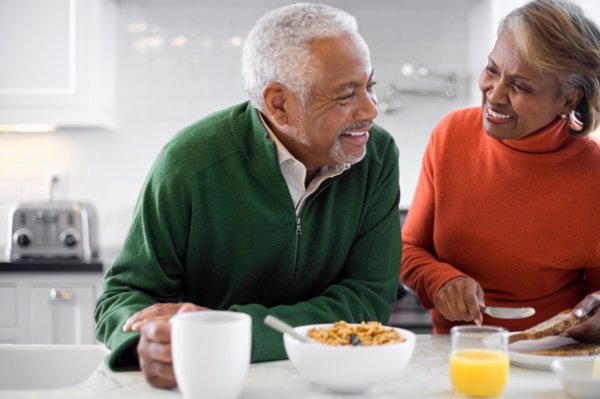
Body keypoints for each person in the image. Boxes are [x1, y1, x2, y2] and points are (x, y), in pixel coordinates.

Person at [94, 2, 401, 389]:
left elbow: (368, 299)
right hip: (207, 383)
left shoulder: (377, 155)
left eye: (370, 86)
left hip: (327, 382)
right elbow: (124, 295)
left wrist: (230, 333)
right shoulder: (189, 162)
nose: (371, 110)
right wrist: (147, 343)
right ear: (279, 104)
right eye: (345, 96)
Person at [400, 0, 600, 341]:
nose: (495, 93)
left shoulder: (593, 176)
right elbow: (409, 249)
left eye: (520, 86)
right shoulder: (451, 136)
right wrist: (440, 280)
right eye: (492, 70)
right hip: (456, 353)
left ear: (568, 100)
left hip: (552, 356)